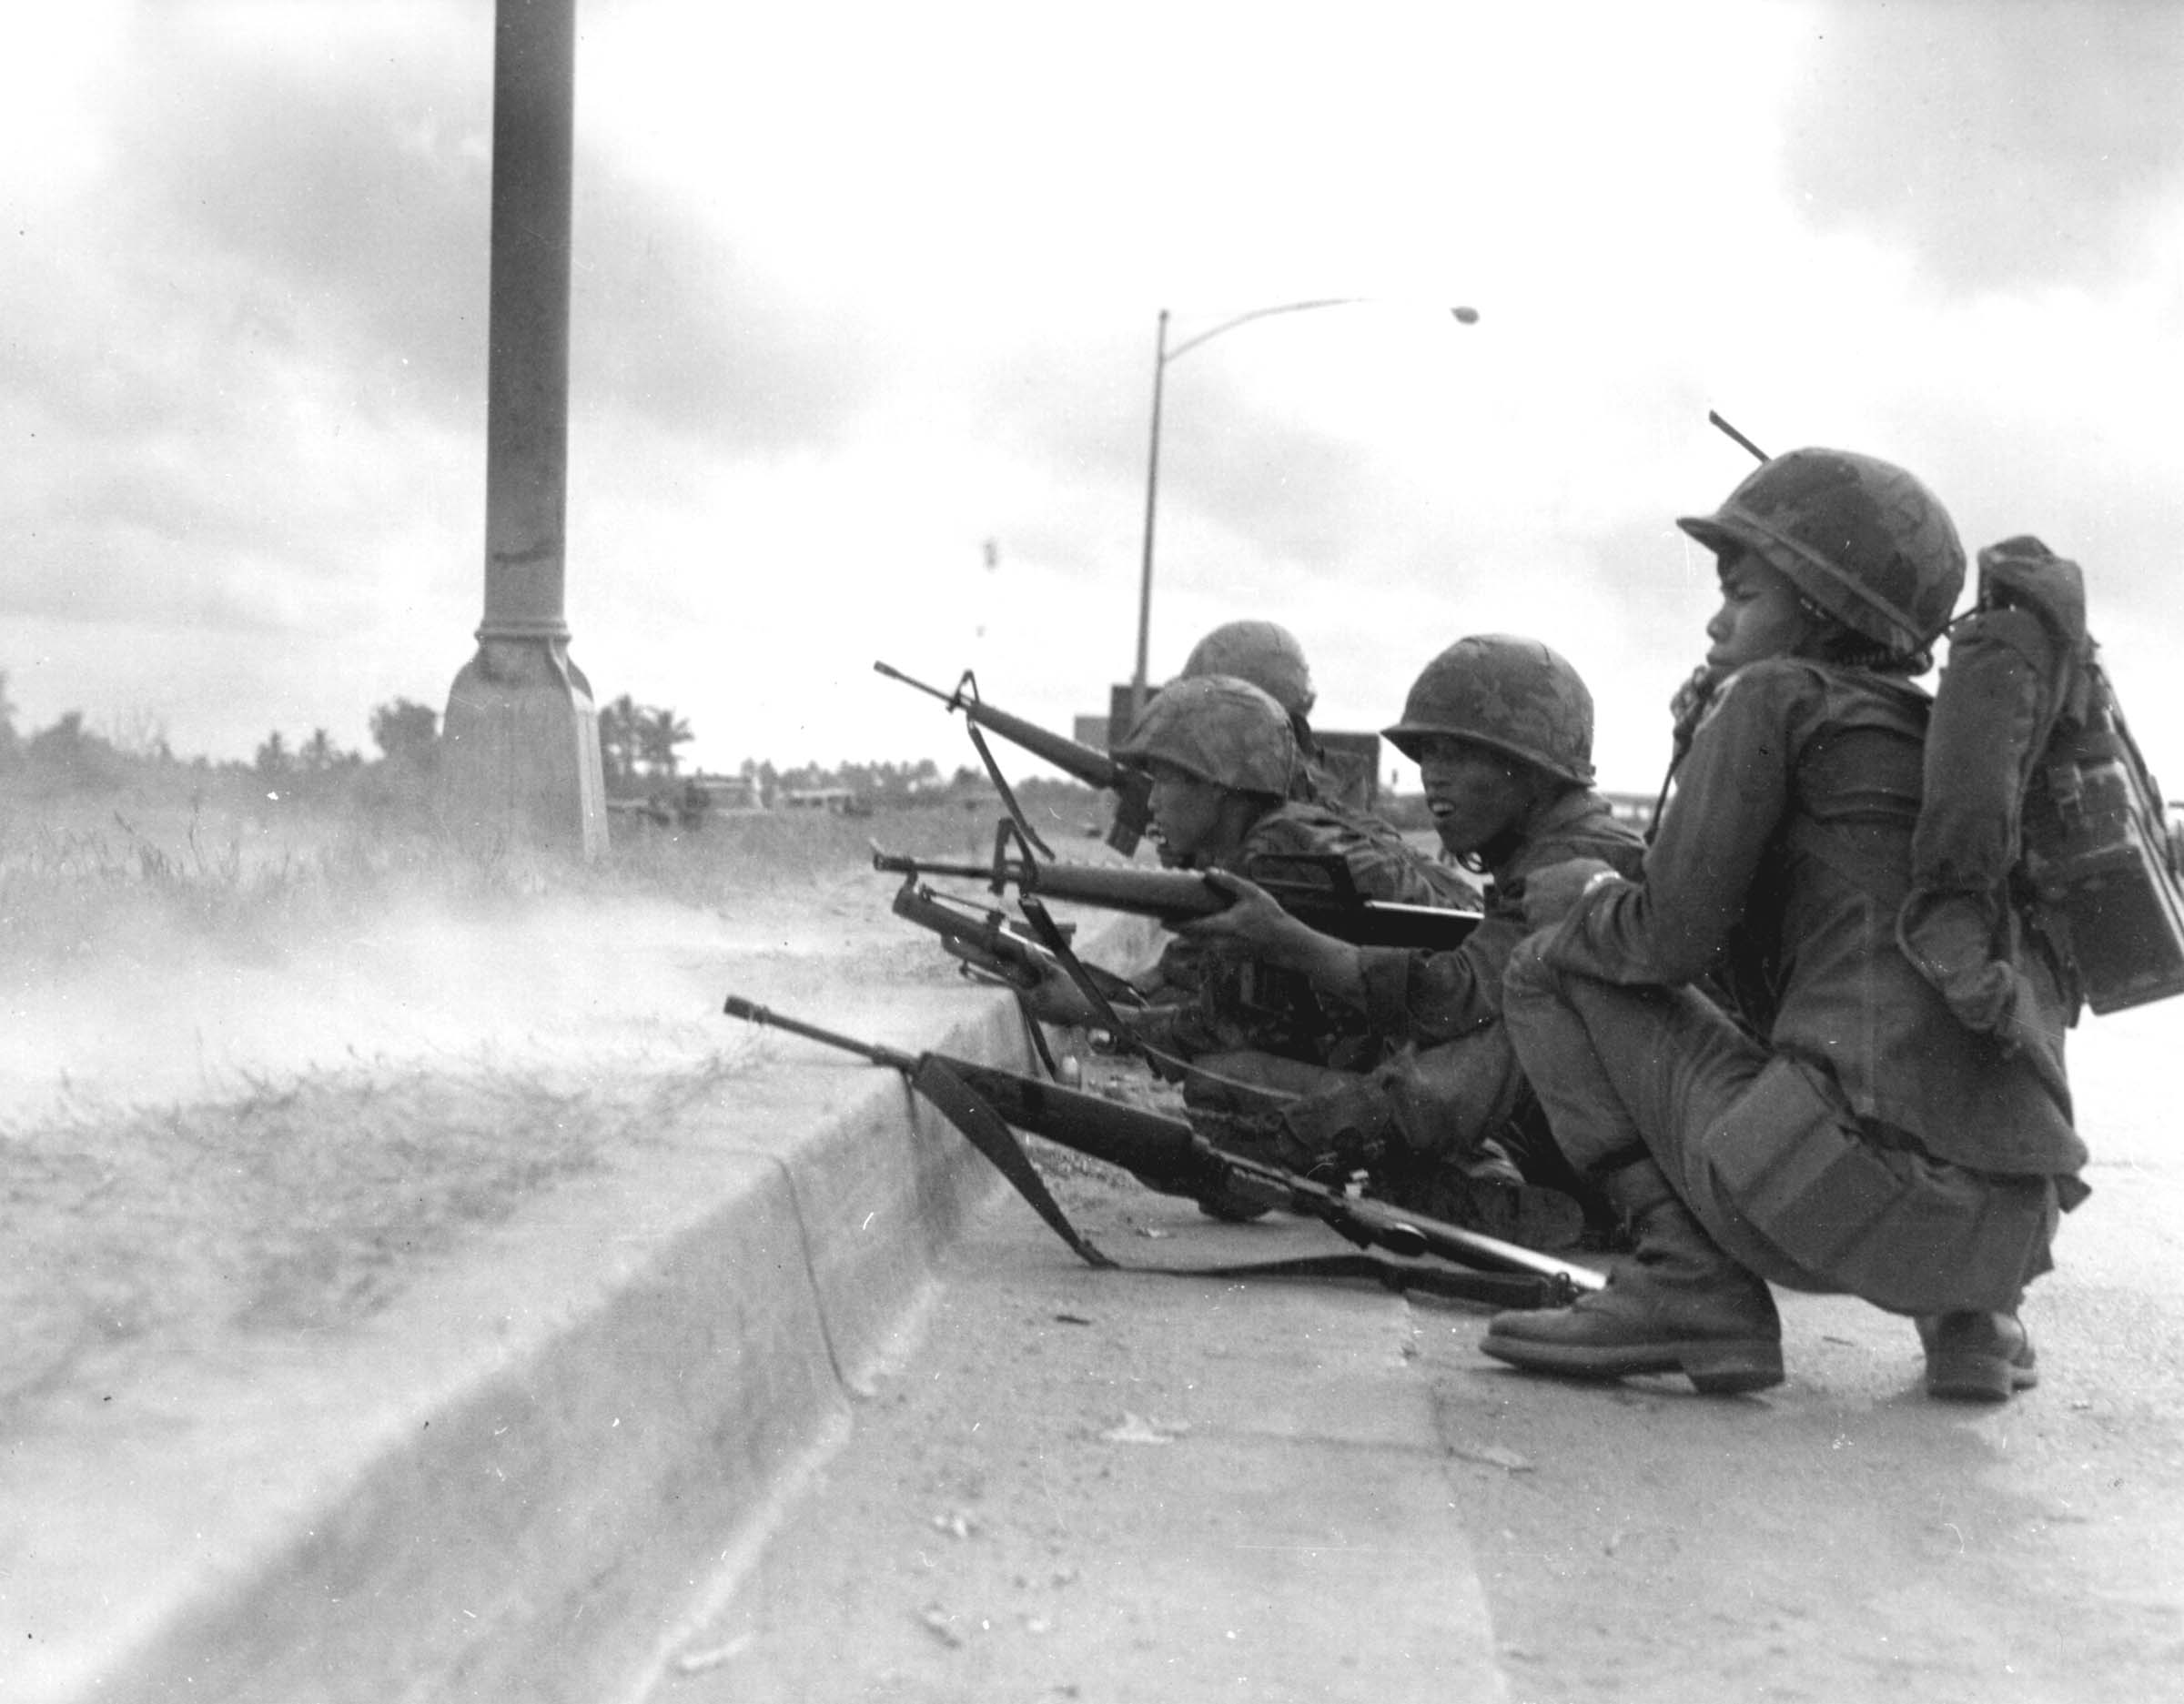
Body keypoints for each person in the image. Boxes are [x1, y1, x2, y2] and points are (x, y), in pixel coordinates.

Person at [1481, 448, 2088, 1400]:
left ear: (1821, 604)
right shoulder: (1968, 752)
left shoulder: (1776, 697)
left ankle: (1690, 1284)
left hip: (1828, 1200)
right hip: (2011, 1235)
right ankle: (1972, 1328)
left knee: (1547, 969)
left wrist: (1593, 899)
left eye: (1742, 593)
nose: (1717, 620)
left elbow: (1671, 941)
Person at [1179, 636, 1644, 1240]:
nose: (1433, 777)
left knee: (1247, 1099)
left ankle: (1540, 1216)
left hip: (1627, 1161)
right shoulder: (1564, 849)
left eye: (1459, 754)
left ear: (1532, 768)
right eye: (1427, 753)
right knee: (1227, 1083)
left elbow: (1456, 998)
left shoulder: (1571, 867)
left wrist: (1292, 943)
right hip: (1585, 1135)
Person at [1026, 673, 1475, 1084]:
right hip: (1447, 1050)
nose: (1152, 801)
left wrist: (1085, 1009)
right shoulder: (1291, 833)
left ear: (1218, 782)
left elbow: (1225, 1030)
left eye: (1165, 780)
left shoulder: (1272, 857)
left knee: (1221, 1079)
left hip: (1445, 1068)